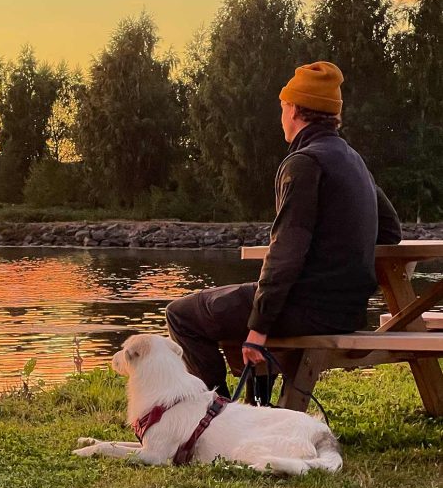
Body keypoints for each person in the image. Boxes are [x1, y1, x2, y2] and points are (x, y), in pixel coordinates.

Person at [165, 61, 402, 396]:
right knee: (242, 303)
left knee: (181, 315)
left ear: (293, 109)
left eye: (282, 107)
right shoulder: (352, 159)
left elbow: (286, 252)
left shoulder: (303, 163)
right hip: (348, 312)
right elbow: (390, 231)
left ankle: (213, 412)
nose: (281, 117)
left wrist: (258, 329)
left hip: (307, 309)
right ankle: (249, 408)